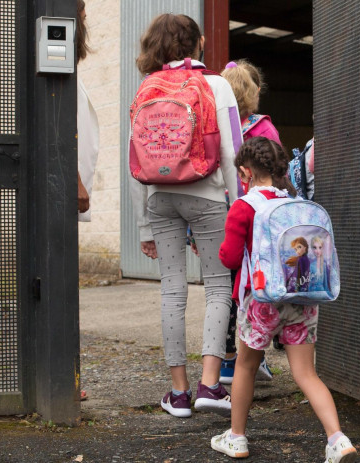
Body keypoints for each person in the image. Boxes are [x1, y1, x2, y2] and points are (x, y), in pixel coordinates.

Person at [212, 137, 357, 462]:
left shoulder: (244, 207)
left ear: (246, 172)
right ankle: (337, 439)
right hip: (302, 297)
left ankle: (236, 439)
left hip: (262, 300)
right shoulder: (296, 203)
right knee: (306, 373)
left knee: (246, 367)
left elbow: (230, 257)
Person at [128, 13, 242, 418]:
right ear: (199, 44)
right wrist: (241, 204)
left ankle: (178, 394)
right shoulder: (217, 85)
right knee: (216, 286)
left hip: (160, 198)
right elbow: (232, 152)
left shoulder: (146, 88)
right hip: (207, 196)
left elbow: (136, 158)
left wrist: (143, 223)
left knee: (172, 290)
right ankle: (210, 385)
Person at [217, 59, 281, 384]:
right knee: (259, 284)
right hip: (260, 220)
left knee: (229, 288)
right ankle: (253, 354)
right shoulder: (264, 129)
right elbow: (279, 167)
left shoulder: (218, 125)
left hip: (228, 213)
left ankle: (232, 358)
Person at [76, 0, 98, 402]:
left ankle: (67, 374)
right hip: (63, 189)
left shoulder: (72, 69)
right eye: (79, 11)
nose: (84, 18)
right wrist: (76, 182)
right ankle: (64, 376)